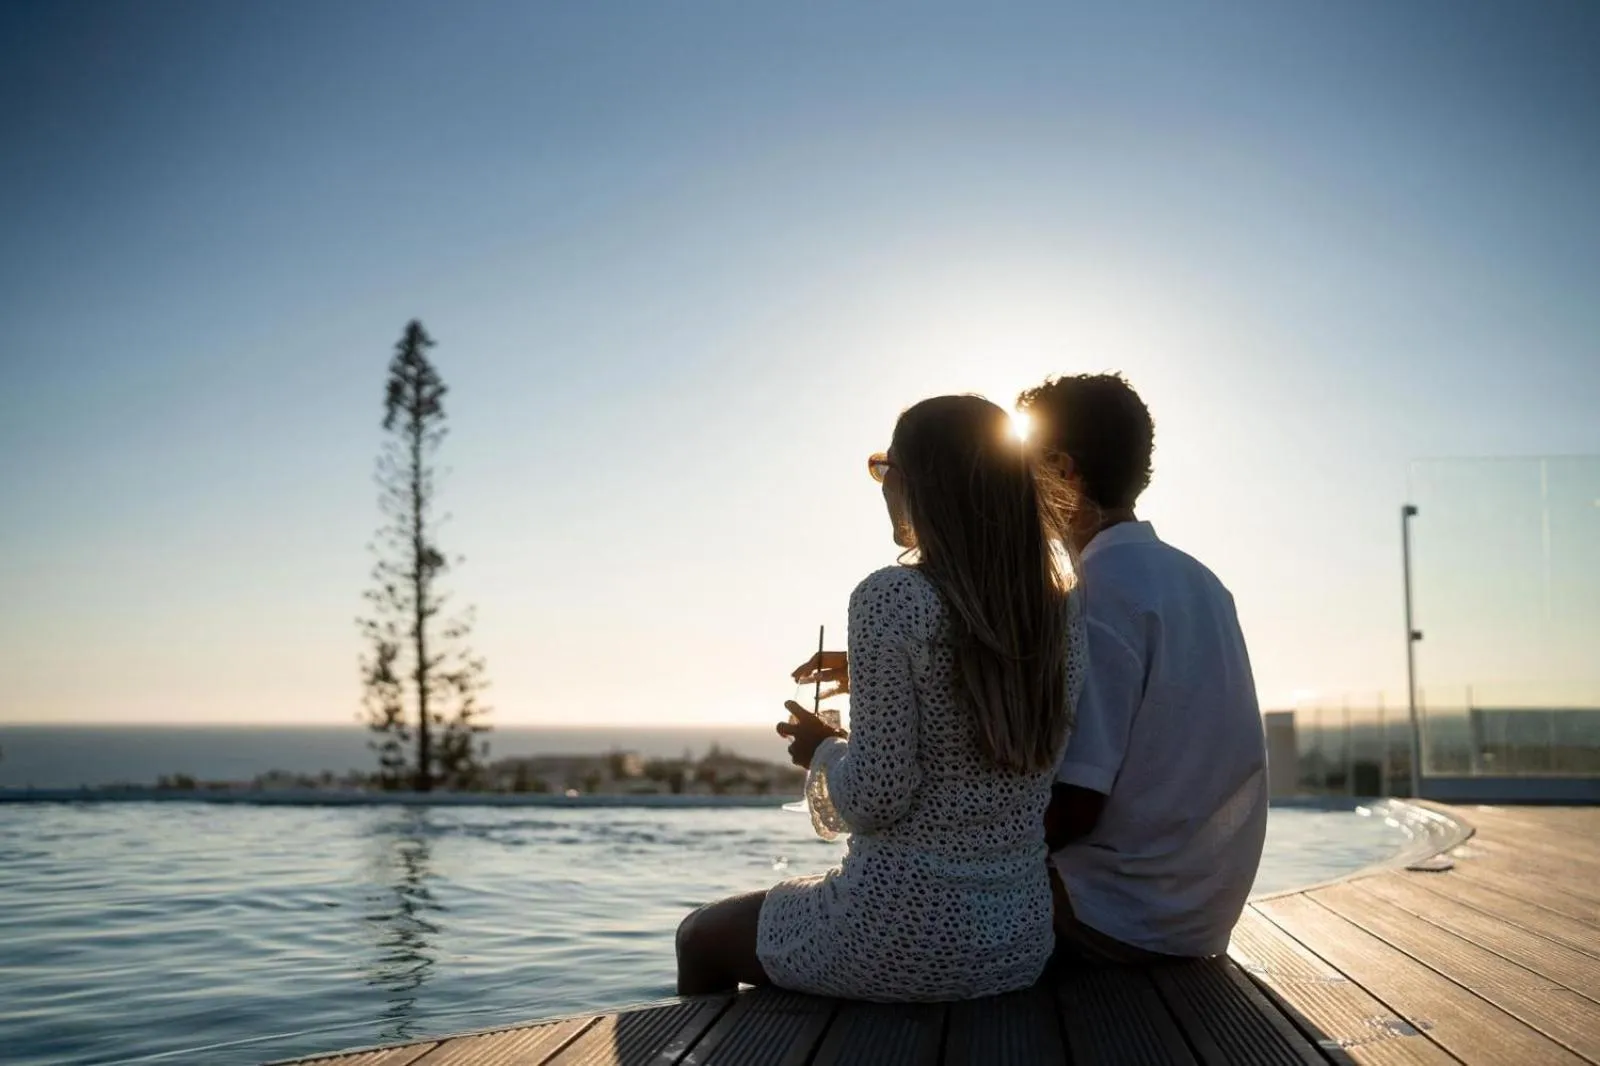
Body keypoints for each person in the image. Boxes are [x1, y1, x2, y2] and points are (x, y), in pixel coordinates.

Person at [674, 394, 1086, 1000]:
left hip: (899, 931)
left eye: (885, 468)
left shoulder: (892, 597)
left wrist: (821, 750)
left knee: (699, 936)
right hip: (1017, 940)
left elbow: (876, 796)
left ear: (920, 483)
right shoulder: (1058, 607)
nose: (883, 485)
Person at [1017, 373, 1268, 964]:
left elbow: (1076, 805)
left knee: (904, 908)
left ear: (1062, 470)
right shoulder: (1197, 580)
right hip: (1196, 917)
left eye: (1022, 470)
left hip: (1111, 916)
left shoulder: (1100, 595)